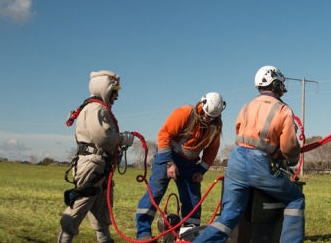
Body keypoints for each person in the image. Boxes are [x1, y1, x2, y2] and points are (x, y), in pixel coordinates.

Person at [193, 66, 304, 243]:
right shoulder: (283, 110)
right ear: (275, 84)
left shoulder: (247, 106)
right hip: (259, 163)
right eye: (280, 83)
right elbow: (289, 147)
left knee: (229, 215)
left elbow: (241, 132)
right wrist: (291, 157)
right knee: (296, 198)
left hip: (236, 160)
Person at [135, 92, 226, 239]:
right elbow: (164, 135)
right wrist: (169, 163)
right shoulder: (184, 113)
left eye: (213, 117)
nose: (209, 119)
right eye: (208, 115)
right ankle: (143, 233)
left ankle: (189, 235)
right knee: (155, 192)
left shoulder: (216, 125)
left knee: (193, 199)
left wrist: (201, 171)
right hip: (168, 157)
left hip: (190, 165)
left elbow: (211, 151)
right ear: (202, 106)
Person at [59, 70, 134, 243]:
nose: (116, 95)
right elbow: (103, 137)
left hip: (100, 166)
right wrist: (122, 138)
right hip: (93, 166)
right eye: (114, 91)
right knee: (79, 206)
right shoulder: (96, 109)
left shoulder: (96, 108)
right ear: (106, 89)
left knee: (101, 214)